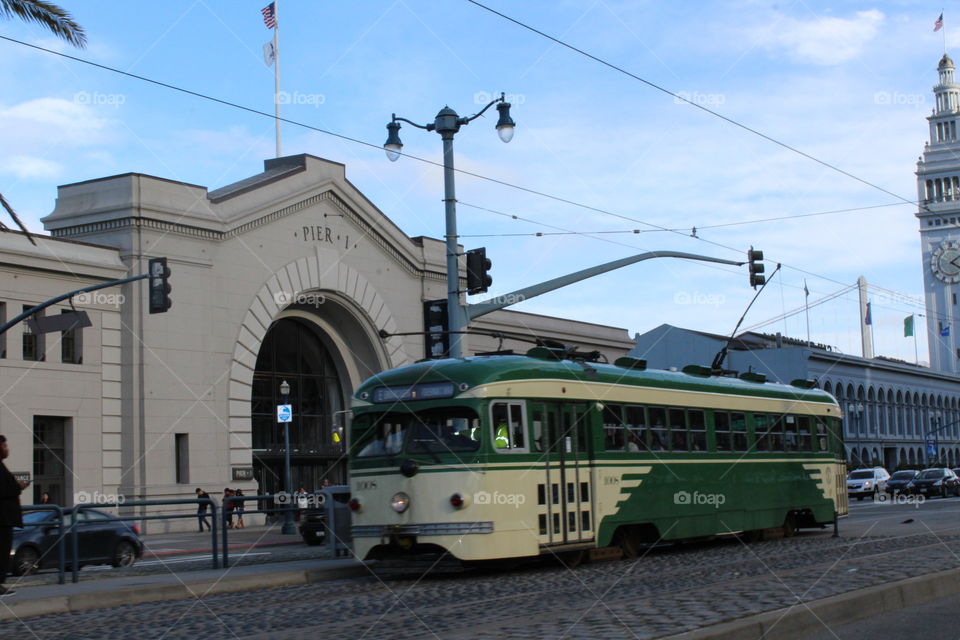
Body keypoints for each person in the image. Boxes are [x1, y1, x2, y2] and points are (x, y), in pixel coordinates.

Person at [0, 435, 29, 597]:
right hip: (2, 519)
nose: (7, 449)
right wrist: (18, 487)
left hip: (5, 519)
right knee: (2, 551)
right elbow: (4, 490)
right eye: (4, 446)